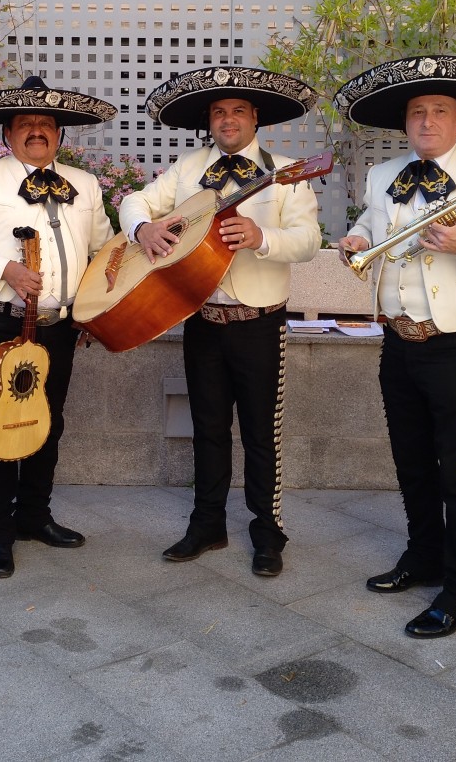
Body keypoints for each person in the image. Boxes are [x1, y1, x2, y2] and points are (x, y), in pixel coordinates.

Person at [334, 55, 456, 637]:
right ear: (406, 121)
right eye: (417, 111)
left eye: (439, 111)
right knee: (412, 457)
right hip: (397, 336)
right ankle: (422, 557)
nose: (426, 120)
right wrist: (357, 238)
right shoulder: (383, 175)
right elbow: (373, 228)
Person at [119, 67, 321, 578]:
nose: (227, 119)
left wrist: (262, 237)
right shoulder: (187, 170)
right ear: (209, 121)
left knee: (260, 433)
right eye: (218, 111)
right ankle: (207, 523)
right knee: (207, 429)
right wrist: (144, 229)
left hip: (259, 323)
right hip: (203, 319)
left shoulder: (287, 170)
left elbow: (309, 241)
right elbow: (133, 201)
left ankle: (267, 533)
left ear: (255, 117)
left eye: (237, 110)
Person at [0, 76, 116, 579]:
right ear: (9, 132)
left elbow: (103, 250)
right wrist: (5, 270)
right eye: (26, 124)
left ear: (59, 134)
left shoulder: (84, 184)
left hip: (62, 326)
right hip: (2, 321)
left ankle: (35, 515)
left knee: (48, 421)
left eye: (46, 124)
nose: (37, 130)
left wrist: (94, 308)